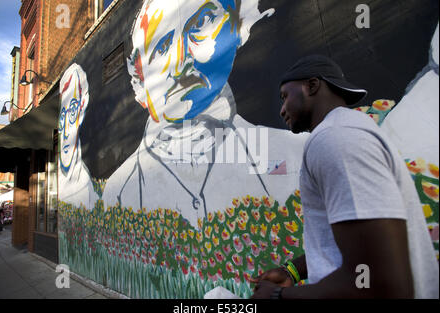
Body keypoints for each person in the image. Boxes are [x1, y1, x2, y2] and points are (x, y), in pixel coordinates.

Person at [102, 0, 308, 229]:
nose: (181, 63)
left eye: (201, 23)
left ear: (238, 26)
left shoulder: (292, 153)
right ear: (140, 80)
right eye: (161, 48)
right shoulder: (117, 193)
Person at [251, 54, 439, 299]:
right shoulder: (346, 130)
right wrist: (293, 271)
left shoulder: (335, 139)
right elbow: (356, 244)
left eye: (285, 96)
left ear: (312, 85)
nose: (282, 109)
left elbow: (380, 284)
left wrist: (277, 296)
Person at [58, 63, 97, 210]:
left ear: (83, 106)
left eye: (73, 111)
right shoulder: (59, 183)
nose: (66, 130)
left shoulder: (90, 192)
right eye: (62, 117)